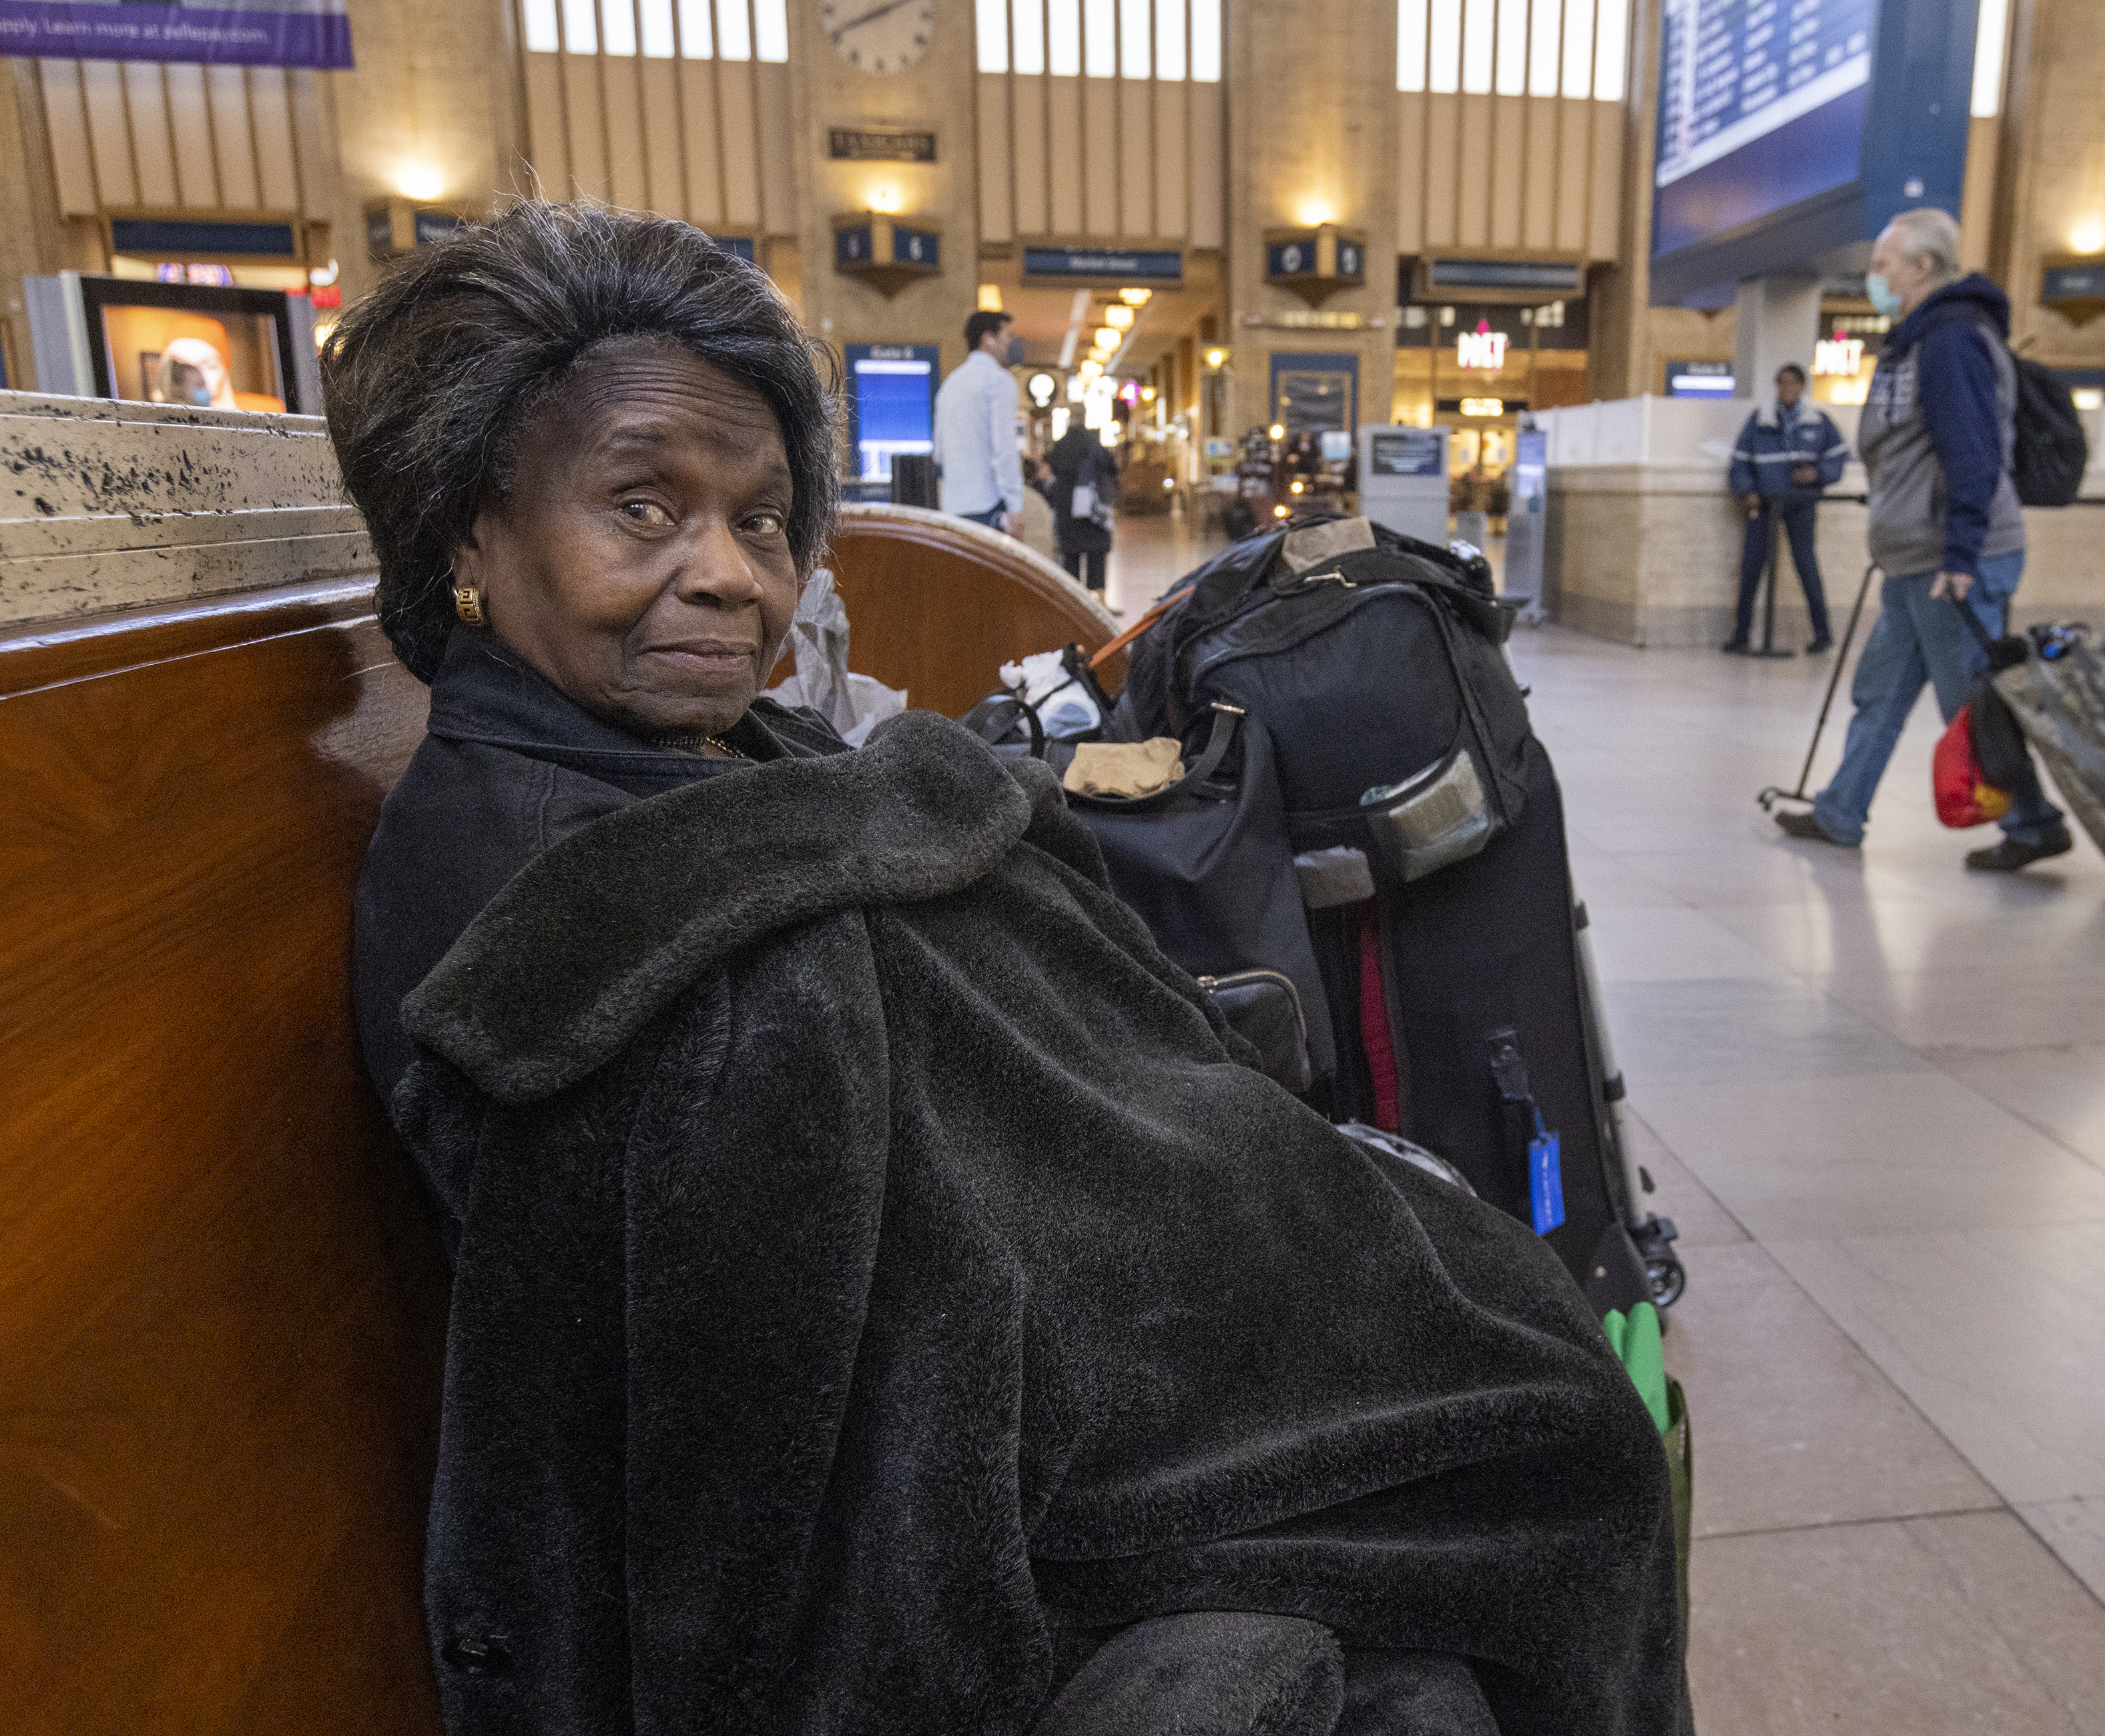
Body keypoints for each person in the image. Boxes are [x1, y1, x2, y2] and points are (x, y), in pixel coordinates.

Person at [324, 201, 1681, 1735]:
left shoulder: (675, 747)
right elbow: (812, 1418)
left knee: (1518, 1348)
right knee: (1558, 1446)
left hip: (1105, 1306)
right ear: (466, 528)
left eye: (760, 518)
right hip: (1046, 1455)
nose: (724, 574)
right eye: (642, 506)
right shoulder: (563, 908)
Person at [1775, 208, 2072, 872]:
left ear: (1922, 267)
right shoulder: (1915, 341)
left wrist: (1961, 555)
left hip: (1951, 562)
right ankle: (1841, 811)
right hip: (1913, 561)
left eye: (1883, 266)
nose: (1874, 278)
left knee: (1967, 701)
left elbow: (1972, 454)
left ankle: (2034, 823)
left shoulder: (1952, 341)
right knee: (1881, 690)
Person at [1723, 362, 1846, 653]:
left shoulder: (1819, 422)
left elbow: (1837, 459)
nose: (1786, 389)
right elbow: (1739, 462)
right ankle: (1741, 635)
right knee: (1752, 567)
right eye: (1781, 383)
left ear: (1802, 387)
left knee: (1807, 565)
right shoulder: (1759, 421)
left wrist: (1817, 475)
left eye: (1792, 383)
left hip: (1801, 505)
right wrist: (1746, 491)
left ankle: (1822, 634)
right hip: (1765, 505)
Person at [934, 308, 1024, 535]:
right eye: (1007, 336)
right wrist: (1015, 506)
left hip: (953, 507)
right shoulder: (999, 381)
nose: (1010, 344)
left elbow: (939, 453)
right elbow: (1004, 447)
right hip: (988, 505)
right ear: (988, 339)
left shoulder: (949, 384)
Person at [1038, 418, 1116, 599]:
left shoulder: (1060, 447)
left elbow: (1047, 472)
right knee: (1097, 556)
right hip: (1094, 512)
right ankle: (1101, 600)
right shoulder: (1096, 446)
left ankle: (1072, 600)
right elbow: (1111, 470)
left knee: (1071, 558)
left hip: (1068, 509)